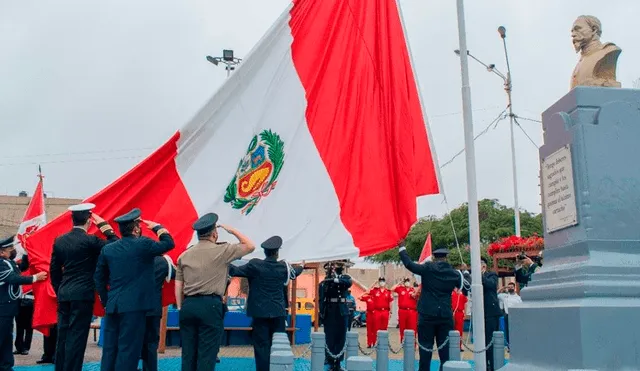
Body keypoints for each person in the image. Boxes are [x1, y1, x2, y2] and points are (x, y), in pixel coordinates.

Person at [94, 208, 175, 371]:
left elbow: (99, 278)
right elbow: (169, 243)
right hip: (135, 307)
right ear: (136, 228)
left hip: (113, 305)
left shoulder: (108, 249)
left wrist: (105, 299)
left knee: (110, 349)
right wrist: (158, 227)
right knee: (128, 349)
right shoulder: (143, 244)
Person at [175, 213, 254, 371]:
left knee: (188, 353)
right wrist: (231, 230)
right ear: (214, 234)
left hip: (188, 305)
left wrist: (180, 306)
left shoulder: (184, 255)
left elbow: (178, 284)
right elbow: (250, 246)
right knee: (207, 354)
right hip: (210, 306)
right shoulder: (222, 251)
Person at [50, 203, 118, 371]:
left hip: (64, 293)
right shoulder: (91, 241)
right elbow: (115, 245)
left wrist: (60, 289)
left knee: (63, 336)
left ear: (72, 220)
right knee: (77, 338)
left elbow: (54, 270)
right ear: (89, 221)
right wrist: (104, 226)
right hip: (83, 294)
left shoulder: (59, 240)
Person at [229, 236, 304, 371]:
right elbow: (295, 272)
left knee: (261, 347)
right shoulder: (283, 267)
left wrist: (221, 261)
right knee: (279, 347)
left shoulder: (255, 265)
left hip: (260, 313)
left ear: (265, 252)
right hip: (278, 313)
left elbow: (235, 270)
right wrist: (302, 265)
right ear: (277, 252)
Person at [399, 245, 469, 371]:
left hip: (427, 315)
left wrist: (402, 248)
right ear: (446, 258)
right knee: (445, 353)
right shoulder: (453, 273)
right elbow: (466, 286)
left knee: (425, 350)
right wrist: (465, 272)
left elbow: (409, 264)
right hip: (445, 316)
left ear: (433, 257)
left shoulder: (427, 268)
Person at [0, 236, 47, 371]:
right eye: (11, 249)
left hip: (8, 309)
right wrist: (35, 278)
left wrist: (27, 251)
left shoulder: (9, 262)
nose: (14, 251)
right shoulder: (1, 264)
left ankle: (6, 366)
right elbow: (13, 278)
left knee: (6, 341)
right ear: (2, 252)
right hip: (2, 308)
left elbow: (23, 267)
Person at [140, 255, 176, 371]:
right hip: (153, 308)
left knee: (131, 342)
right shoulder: (163, 261)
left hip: (134, 307)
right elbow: (176, 274)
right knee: (151, 344)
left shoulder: (135, 257)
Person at [318, 260, 352, 371]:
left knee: (341, 337)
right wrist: (322, 312)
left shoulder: (344, 277)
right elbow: (321, 299)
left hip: (342, 311)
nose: (336, 267)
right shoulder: (325, 282)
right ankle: (330, 361)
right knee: (330, 337)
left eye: (338, 265)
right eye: (333, 265)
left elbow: (348, 282)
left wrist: (336, 279)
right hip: (330, 311)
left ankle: (338, 362)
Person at [481, 257, 502, 371]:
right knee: (482, 341)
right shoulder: (475, 277)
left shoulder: (491, 275)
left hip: (491, 313)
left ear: (484, 265)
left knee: (490, 341)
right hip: (480, 313)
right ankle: (484, 364)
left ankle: (493, 365)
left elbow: (491, 285)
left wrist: (481, 275)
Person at [13, 253, 33, 356]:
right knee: (23, 326)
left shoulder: (31, 272)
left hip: (28, 302)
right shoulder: (19, 271)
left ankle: (23, 347)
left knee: (25, 326)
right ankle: (21, 347)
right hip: (22, 301)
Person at [392, 277, 418, 344]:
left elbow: (418, 295)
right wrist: (399, 283)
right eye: (405, 281)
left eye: (408, 281)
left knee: (413, 328)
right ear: (404, 282)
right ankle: (403, 343)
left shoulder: (413, 290)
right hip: (402, 311)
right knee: (402, 328)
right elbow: (392, 289)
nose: (407, 282)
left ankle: (413, 344)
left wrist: (415, 292)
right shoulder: (400, 289)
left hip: (412, 311)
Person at [498, 281, 521, 348]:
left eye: (512, 287)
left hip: (515, 315)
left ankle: (516, 344)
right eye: (509, 287)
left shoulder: (518, 298)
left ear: (514, 288)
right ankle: (509, 346)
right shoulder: (504, 296)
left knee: (515, 330)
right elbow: (496, 293)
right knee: (507, 331)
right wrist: (503, 287)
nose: (510, 288)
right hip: (507, 315)